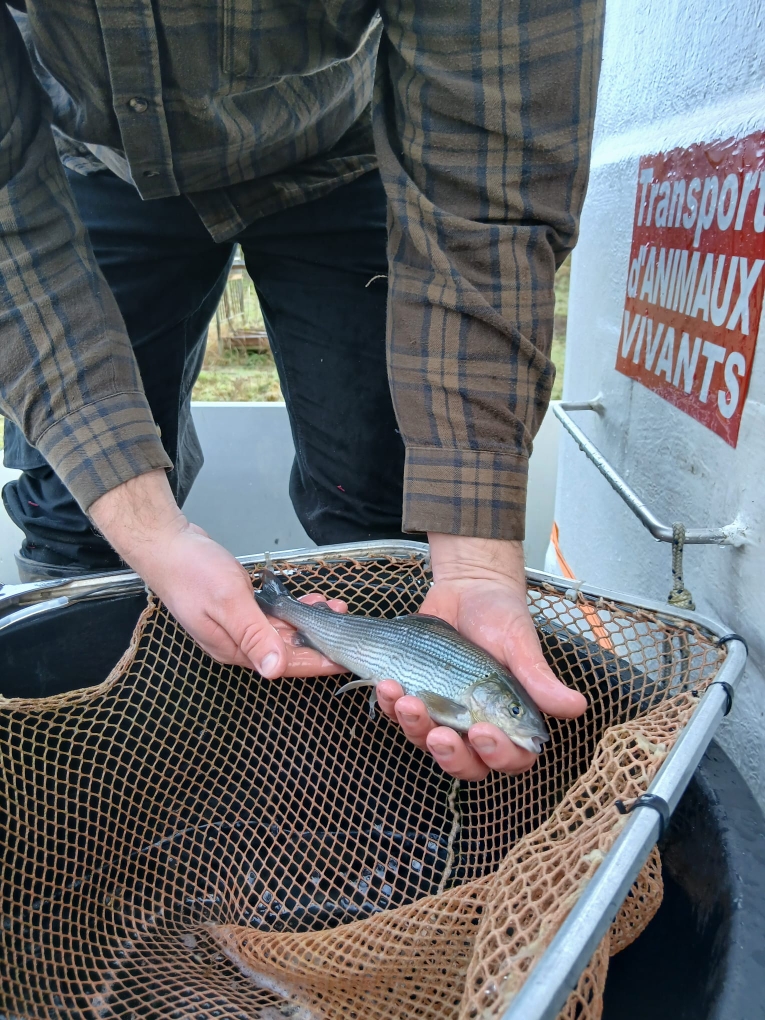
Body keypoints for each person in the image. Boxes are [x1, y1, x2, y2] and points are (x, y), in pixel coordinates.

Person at [0, 0, 604, 781]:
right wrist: (152, 535)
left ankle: (373, 776)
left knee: (374, 507)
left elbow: (488, 185)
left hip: (333, 159)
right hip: (93, 167)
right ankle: (97, 771)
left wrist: (478, 565)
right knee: (74, 521)